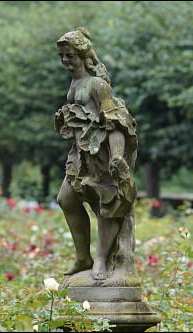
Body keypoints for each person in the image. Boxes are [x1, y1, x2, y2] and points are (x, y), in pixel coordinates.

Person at [55, 27, 138, 285]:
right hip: (81, 153)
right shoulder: (75, 83)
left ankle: (101, 258)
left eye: (70, 56)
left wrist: (116, 157)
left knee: (106, 204)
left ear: (83, 55)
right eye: (63, 56)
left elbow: (116, 121)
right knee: (66, 198)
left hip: (102, 153)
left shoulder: (97, 85)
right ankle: (83, 257)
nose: (66, 61)